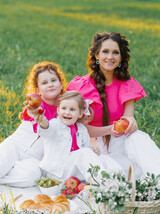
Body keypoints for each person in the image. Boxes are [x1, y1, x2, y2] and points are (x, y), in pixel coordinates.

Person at [67, 31, 160, 177]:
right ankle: (126, 175)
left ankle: (156, 176)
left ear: (121, 57)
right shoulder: (80, 86)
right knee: (127, 172)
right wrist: (109, 130)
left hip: (119, 142)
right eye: (105, 51)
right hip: (93, 144)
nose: (110, 57)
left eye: (115, 52)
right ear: (97, 55)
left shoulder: (127, 84)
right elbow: (78, 128)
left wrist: (131, 123)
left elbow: (127, 121)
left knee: (139, 138)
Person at [27, 91, 120, 182]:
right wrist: (42, 120)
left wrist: (94, 151)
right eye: (64, 108)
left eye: (72, 109)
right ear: (58, 110)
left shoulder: (82, 129)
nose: (67, 112)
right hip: (56, 171)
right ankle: (104, 183)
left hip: (73, 169)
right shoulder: (54, 124)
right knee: (85, 153)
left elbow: (86, 150)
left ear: (80, 113)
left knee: (103, 159)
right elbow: (46, 130)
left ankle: (117, 180)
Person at [0, 61, 67, 187]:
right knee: (2, 162)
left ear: (61, 84)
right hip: (15, 146)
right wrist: (33, 112)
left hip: (34, 158)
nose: (50, 85)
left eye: (53, 80)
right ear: (38, 90)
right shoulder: (35, 106)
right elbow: (32, 114)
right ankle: (5, 170)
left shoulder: (65, 109)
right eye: (44, 83)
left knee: (31, 177)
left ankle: (3, 179)